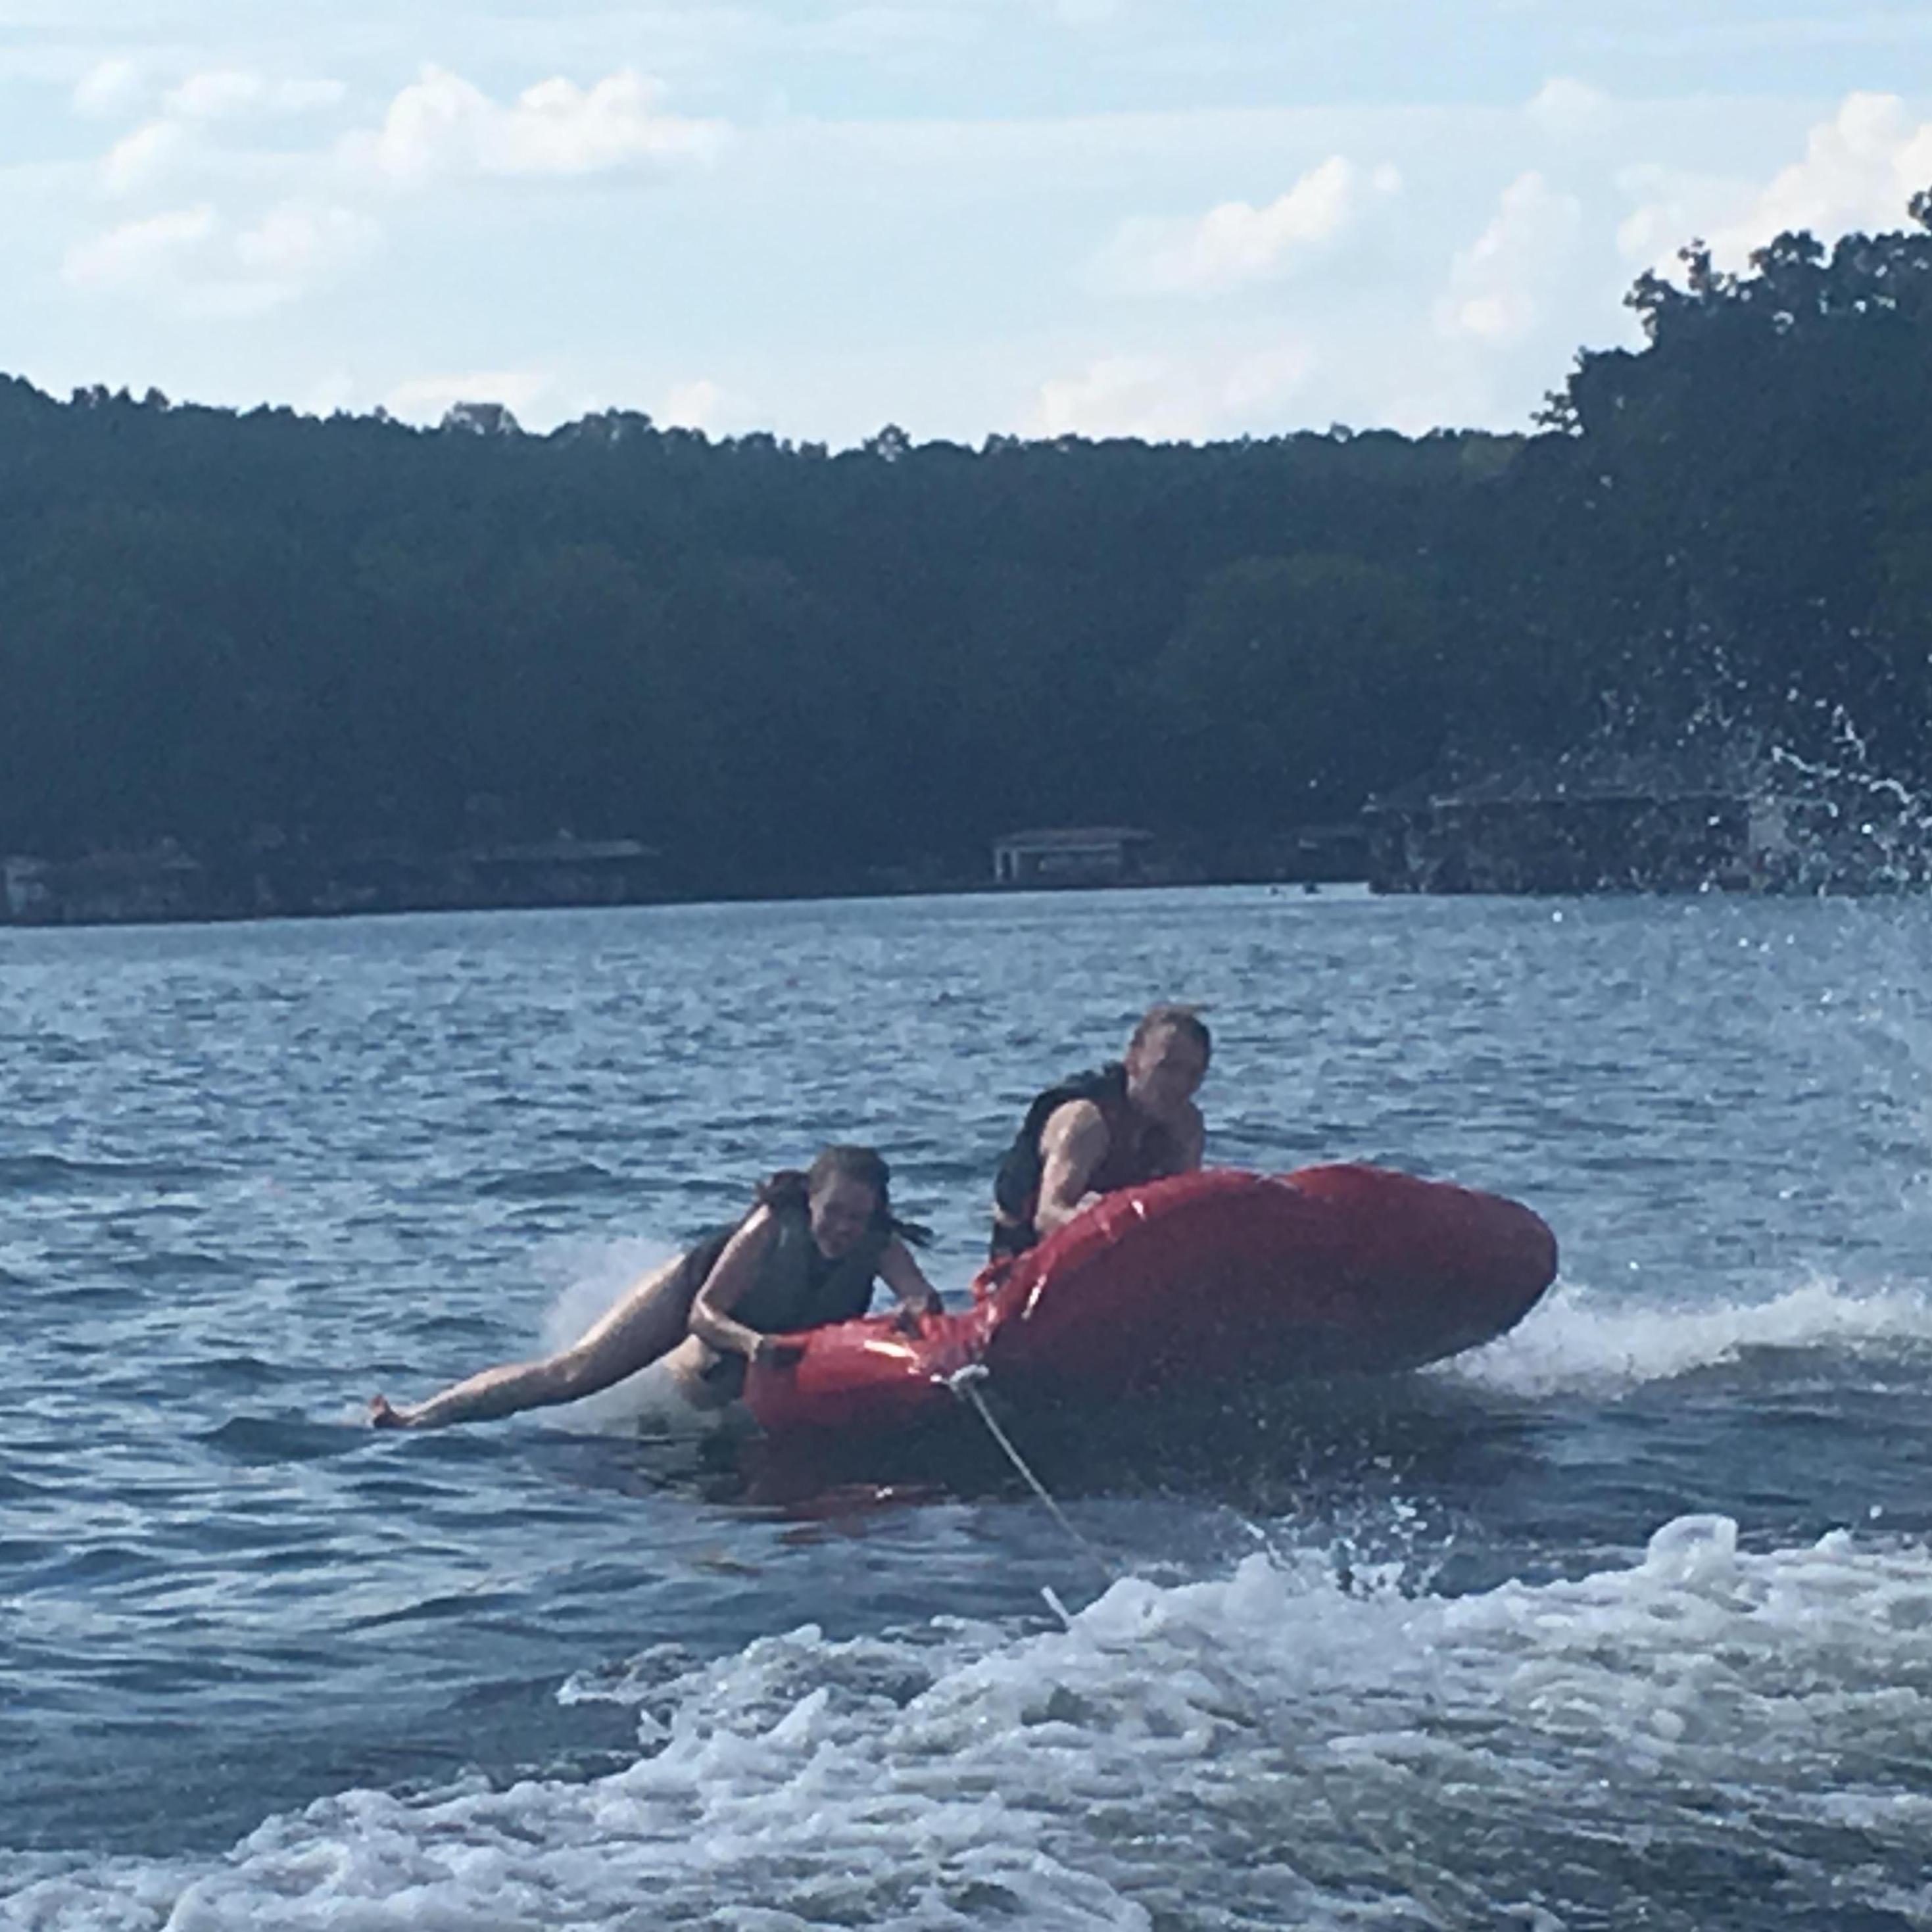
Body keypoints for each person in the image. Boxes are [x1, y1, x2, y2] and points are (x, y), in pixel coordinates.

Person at [369, 1145, 942, 1428]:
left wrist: (920, 1313)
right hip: (707, 1304)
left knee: (724, 1401)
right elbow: (706, 1313)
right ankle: (419, 1416)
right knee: (573, 1375)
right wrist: (750, 1346)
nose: (844, 1229)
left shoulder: (879, 1244)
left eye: (857, 1218)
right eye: (833, 1213)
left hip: (774, 1333)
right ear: (809, 1200)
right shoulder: (771, 1225)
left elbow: (918, 1296)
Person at [988, 1003, 1210, 1259]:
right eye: (1168, 1068)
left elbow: (1180, 1211)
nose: (1180, 1084)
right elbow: (1047, 1217)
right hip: (1026, 1259)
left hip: (1119, 1257)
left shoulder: (1186, 1126)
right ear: (1133, 1060)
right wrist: (1107, 1224)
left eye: (1193, 1074)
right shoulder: (1085, 1121)